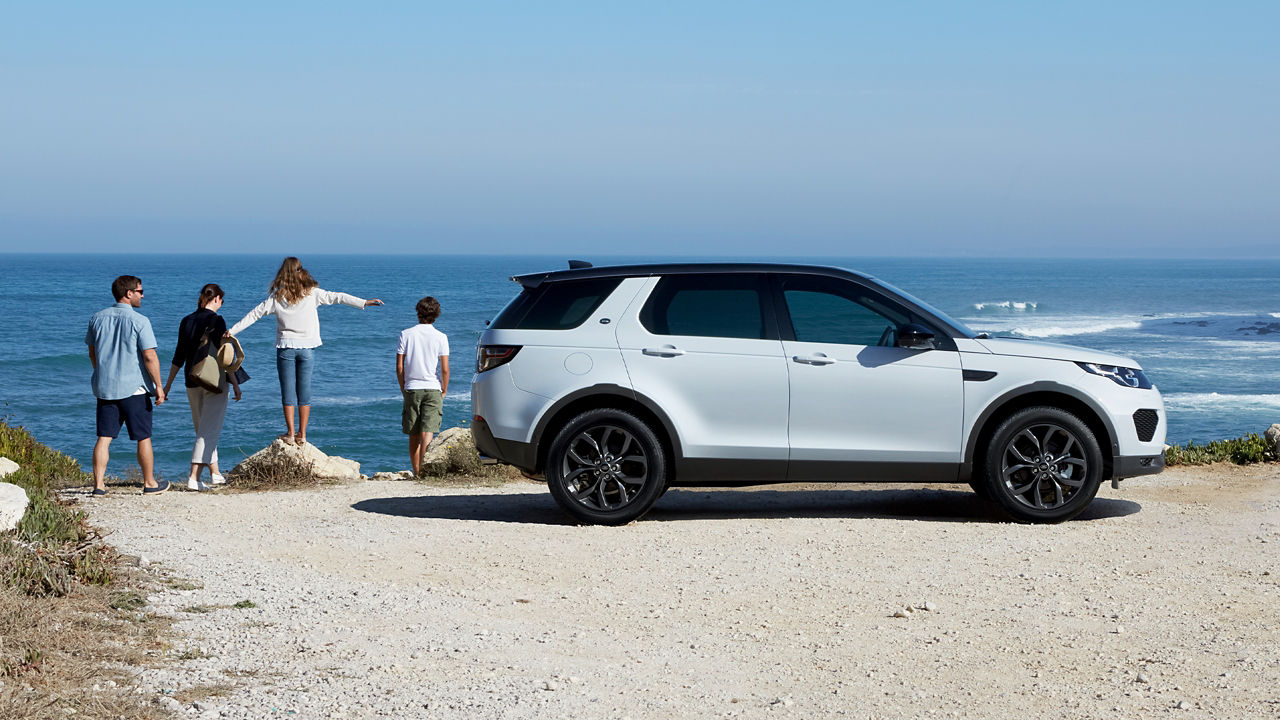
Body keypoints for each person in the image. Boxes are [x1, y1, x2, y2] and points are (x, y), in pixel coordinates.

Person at [228, 257, 382, 446]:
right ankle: (302, 434)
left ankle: (291, 434)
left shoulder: (276, 297)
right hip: (307, 348)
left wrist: (231, 331)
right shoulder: (312, 294)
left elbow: (254, 315)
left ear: (283, 274)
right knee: (305, 391)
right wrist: (364, 302)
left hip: (286, 348)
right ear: (300, 272)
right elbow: (338, 297)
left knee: (288, 392)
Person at [86, 275, 168, 495]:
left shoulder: (97, 318)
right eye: (140, 291)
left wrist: (99, 371)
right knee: (143, 436)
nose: (143, 295)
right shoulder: (140, 321)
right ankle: (149, 483)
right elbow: (149, 356)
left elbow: (92, 351)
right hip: (135, 388)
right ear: (128, 293)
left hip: (105, 386)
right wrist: (159, 386)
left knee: (104, 437)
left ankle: (99, 486)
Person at [162, 284, 242, 491]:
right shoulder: (217, 320)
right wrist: (235, 383)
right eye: (222, 300)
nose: (222, 304)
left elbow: (179, 355)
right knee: (208, 431)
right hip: (214, 381)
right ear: (216, 299)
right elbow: (224, 356)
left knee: (203, 429)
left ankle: (215, 473)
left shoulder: (186, 321)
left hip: (191, 380)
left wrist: (168, 384)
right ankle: (193, 477)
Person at [396, 297, 450, 475]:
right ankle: (426, 472)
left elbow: (400, 366)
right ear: (436, 314)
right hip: (433, 387)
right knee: (428, 433)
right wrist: (444, 389)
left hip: (412, 387)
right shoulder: (441, 337)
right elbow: (445, 369)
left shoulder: (406, 334)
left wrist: (404, 387)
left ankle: (417, 472)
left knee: (414, 434)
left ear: (418, 312)